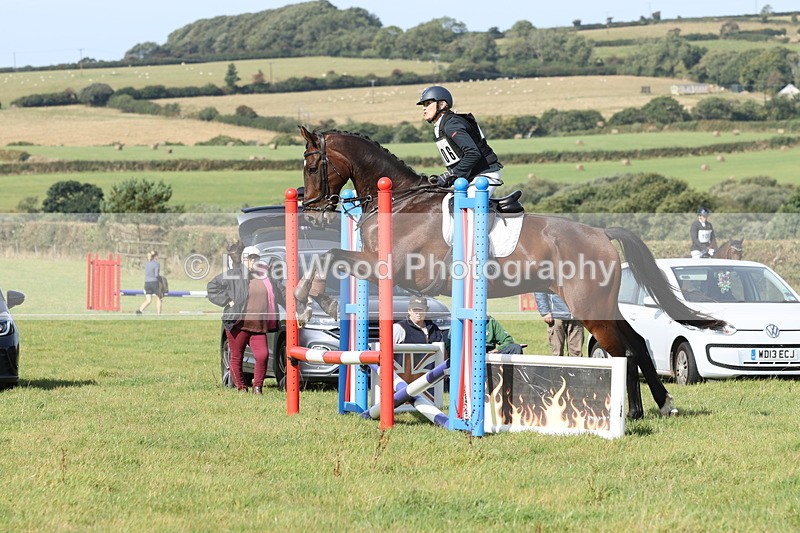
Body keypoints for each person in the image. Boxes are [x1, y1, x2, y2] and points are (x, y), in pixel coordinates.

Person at [206, 246, 279, 394]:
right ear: (243, 259)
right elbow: (212, 287)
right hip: (238, 325)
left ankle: (257, 388)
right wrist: (227, 301)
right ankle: (241, 388)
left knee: (263, 355)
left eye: (255, 258)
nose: (253, 261)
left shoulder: (265, 277)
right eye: (250, 258)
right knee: (237, 356)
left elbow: (279, 292)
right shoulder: (233, 274)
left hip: (259, 326)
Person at [417, 85, 503, 196]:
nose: (424, 108)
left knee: (468, 205)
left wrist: (451, 174)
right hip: (467, 177)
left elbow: (473, 153)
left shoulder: (452, 125)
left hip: (485, 174)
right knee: (444, 201)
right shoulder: (441, 126)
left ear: (442, 104)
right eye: (423, 105)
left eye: (428, 104)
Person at [534, 292, 584, 357]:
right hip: (556, 316)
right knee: (557, 353)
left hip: (576, 315)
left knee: (576, 354)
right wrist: (545, 312)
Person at [136, 250, 162, 315]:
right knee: (159, 298)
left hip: (147, 283)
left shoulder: (146, 264)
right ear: (156, 256)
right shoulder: (157, 264)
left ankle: (140, 310)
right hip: (154, 283)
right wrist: (161, 279)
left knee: (148, 300)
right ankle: (158, 314)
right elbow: (156, 275)